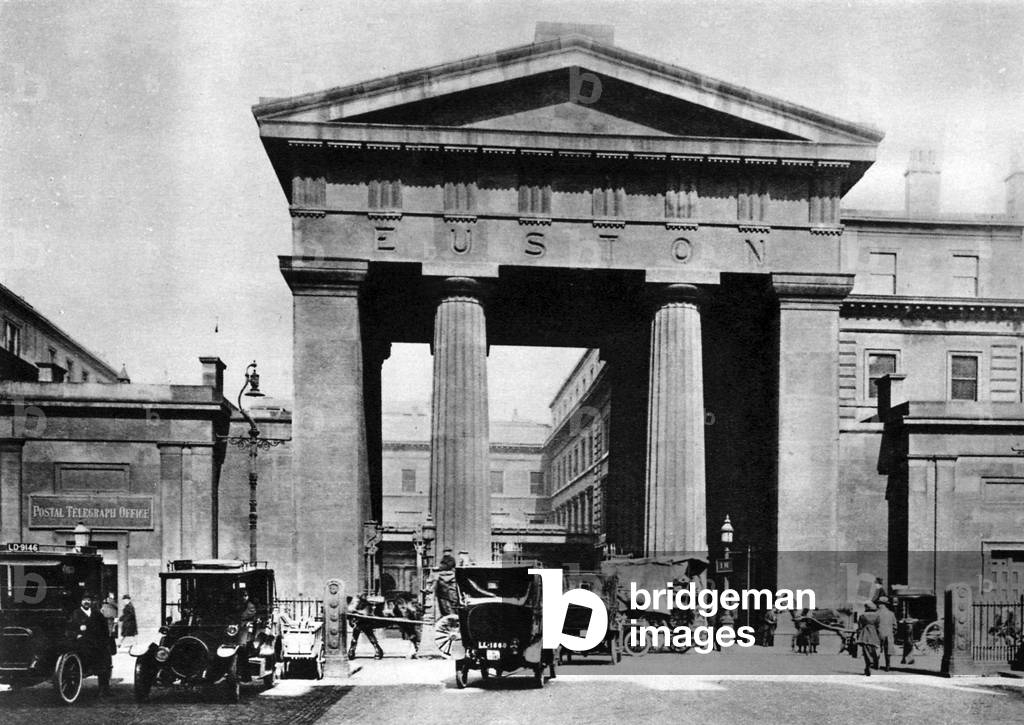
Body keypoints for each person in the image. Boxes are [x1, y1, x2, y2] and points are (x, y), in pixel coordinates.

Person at [67, 592, 113, 697]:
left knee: (105, 661)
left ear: (91, 602)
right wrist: (77, 633)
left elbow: (104, 629)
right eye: (84, 600)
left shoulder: (97, 614)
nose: (86, 602)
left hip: (97, 643)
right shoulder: (76, 614)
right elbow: (69, 629)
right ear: (81, 602)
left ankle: (104, 689)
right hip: (83, 643)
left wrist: (105, 641)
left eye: (88, 600)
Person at [347, 593, 385, 660]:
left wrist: (357, 612)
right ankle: (378, 650)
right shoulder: (356, 601)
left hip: (362, 620)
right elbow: (351, 609)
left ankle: (352, 651)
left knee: (363, 633)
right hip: (359, 620)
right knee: (364, 634)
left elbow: (364, 612)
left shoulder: (364, 604)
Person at [856, 601, 882, 676]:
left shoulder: (862, 616)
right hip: (874, 634)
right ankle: (873, 661)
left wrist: (858, 635)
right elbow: (878, 626)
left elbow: (860, 627)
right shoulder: (877, 616)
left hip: (865, 634)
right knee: (874, 649)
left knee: (866, 650)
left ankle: (868, 663)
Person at [433, 554, 459, 618]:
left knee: (446, 613)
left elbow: (434, 587)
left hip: (443, 596)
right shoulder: (455, 575)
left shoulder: (438, 576)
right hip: (451, 596)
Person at [876, 597, 897, 671]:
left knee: (877, 649)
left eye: (879, 603)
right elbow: (895, 626)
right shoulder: (891, 614)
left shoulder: (876, 613)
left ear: (882, 604)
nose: (878, 605)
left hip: (878, 634)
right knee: (888, 651)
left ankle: (877, 665)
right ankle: (888, 666)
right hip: (888, 634)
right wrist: (892, 632)